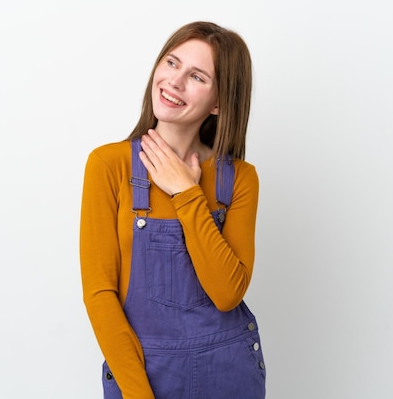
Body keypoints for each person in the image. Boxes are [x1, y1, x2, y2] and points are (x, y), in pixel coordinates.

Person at [80, 21, 265, 398]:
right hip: (144, 376)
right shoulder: (108, 165)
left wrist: (186, 192)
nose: (174, 82)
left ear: (218, 101)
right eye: (171, 63)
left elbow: (227, 293)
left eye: (196, 76)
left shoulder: (240, 179)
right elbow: (100, 294)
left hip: (228, 372)